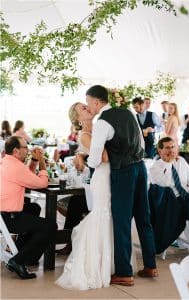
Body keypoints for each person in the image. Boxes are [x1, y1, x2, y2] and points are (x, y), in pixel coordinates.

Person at [86, 86, 157, 286]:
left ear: (97, 102)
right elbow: (141, 143)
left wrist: (88, 165)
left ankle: (124, 273)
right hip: (140, 167)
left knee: (122, 220)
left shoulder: (102, 121)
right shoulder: (128, 113)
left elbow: (95, 154)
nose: (89, 106)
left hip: (122, 172)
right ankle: (151, 266)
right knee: (144, 217)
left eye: (89, 102)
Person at [55, 101, 113, 290]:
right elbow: (103, 157)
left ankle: (108, 262)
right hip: (102, 178)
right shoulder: (85, 135)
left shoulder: (99, 127)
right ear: (78, 118)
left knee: (108, 216)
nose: (87, 107)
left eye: (86, 105)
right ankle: (93, 265)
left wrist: (82, 156)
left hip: (110, 176)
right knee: (100, 215)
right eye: (82, 108)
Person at [0, 136, 57, 279]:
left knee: (34, 208)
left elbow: (27, 176)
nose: (28, 149)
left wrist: (34, 160)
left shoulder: (6, 162)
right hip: (8, 218)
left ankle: (24, 254)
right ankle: (18, 261)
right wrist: (42, 162)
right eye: (25, 147)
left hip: (3, 215)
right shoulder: (15, 167)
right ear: (16, 151)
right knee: (50, 226)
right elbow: (42, 183)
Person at [149, 137, 189, 252]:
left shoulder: (181, 161)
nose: (171, 150)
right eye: (167, 148)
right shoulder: (156, 167)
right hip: (171, 203)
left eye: (173, 146)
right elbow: (164, 183)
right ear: (160, 151)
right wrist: (168, 163)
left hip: (186, 198)